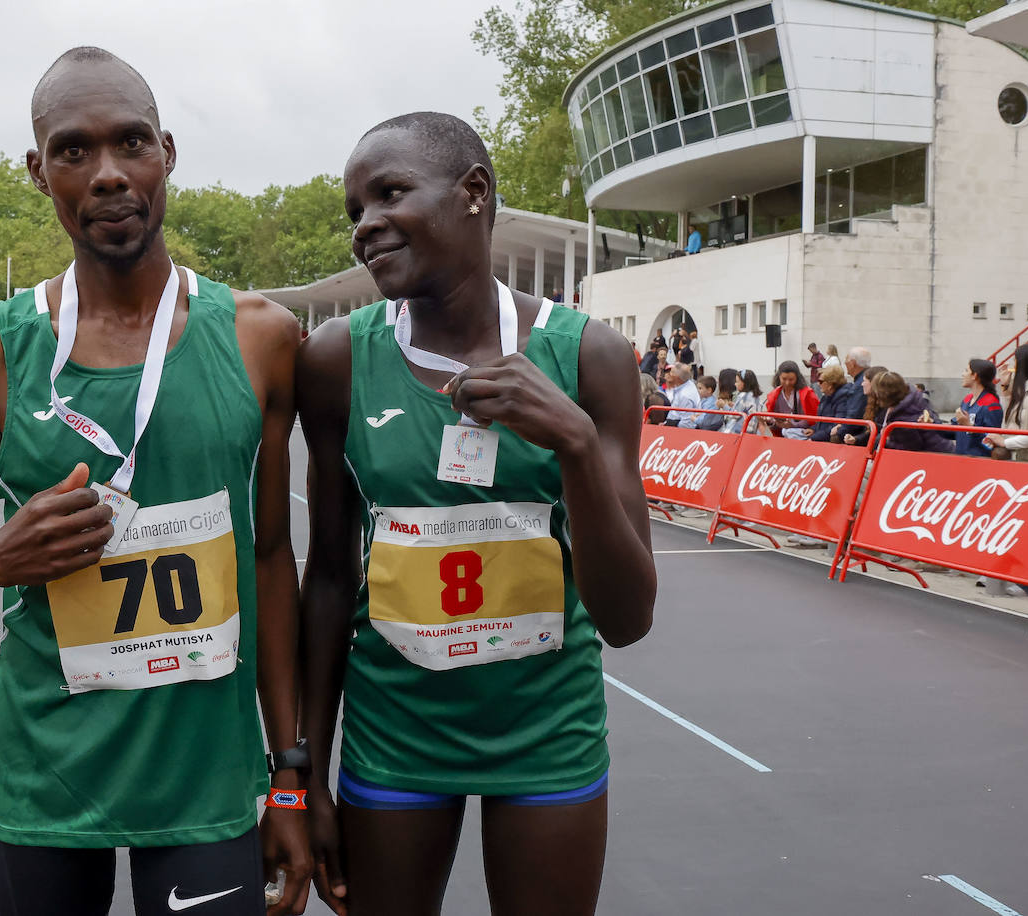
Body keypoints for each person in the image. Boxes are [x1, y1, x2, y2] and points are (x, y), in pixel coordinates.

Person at [0, 47, 310, 916]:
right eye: (73, 151)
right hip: (47, 776)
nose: (108, 175)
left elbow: (273, 560)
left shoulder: (260, 337)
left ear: (167, 153)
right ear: (39, 172)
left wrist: (289, 777)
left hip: (203, 779)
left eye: (131, 143)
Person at [299, 111, 656, 916]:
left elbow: (629, 616)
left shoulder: (588, 355)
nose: (366, 226)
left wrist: (570, 440)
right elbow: (325, 577)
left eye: (390, 193)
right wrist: (302, 772)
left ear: (474, 193)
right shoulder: (336, 360)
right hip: (393, 738)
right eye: (355, 210)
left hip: (547, 735)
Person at [927, 359, 1003, 458]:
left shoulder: (991, 405)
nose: (963, 374)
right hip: (961, 459)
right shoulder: (967, 400)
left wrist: (970, 427)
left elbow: (992, 443)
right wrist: (931, 424)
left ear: (975, 376)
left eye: (966, 371)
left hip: (980, 462)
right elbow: (954, 431)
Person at [865, 371, 952, 452]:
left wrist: (886, 439)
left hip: (933, 456)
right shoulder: (914, 400)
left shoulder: (902, 416)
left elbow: (911, 447)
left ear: (882, 394)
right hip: (941, 449)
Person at [764, 361, 818, 438]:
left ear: (797, 378)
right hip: (783, 436)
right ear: (779, 377)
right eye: (784, 379)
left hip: (803, 434)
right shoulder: (774, 396)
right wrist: (770, 422)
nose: (787, 383)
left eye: (791, 379)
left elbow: (813, 420)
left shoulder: (807, 394)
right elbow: (775, 427)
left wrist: (793, 425)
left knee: (787, 431)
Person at [809, 365, 856, 441]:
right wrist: (813, 429)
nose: (818, 384)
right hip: (821, 437)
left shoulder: (842, 399)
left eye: (821, 381)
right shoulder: (826, 397)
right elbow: (822, 421)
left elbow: (836, 425)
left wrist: (814, 438)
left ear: (830, 385)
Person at [721, 368, 761, 434]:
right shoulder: (756, 396)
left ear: (744, 383)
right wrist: (735, 405)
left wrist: (723, 406)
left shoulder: (743, 395)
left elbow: (735, 414)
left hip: (738, 431)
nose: (735, 384)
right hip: (751, 431)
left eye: (737, 381)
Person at [666, 363, 701, 427]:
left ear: (677, 378)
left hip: (677, 428)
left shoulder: (685, 395)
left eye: (671, 372)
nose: (668, 374)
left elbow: (687, 423)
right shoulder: (687, 384)